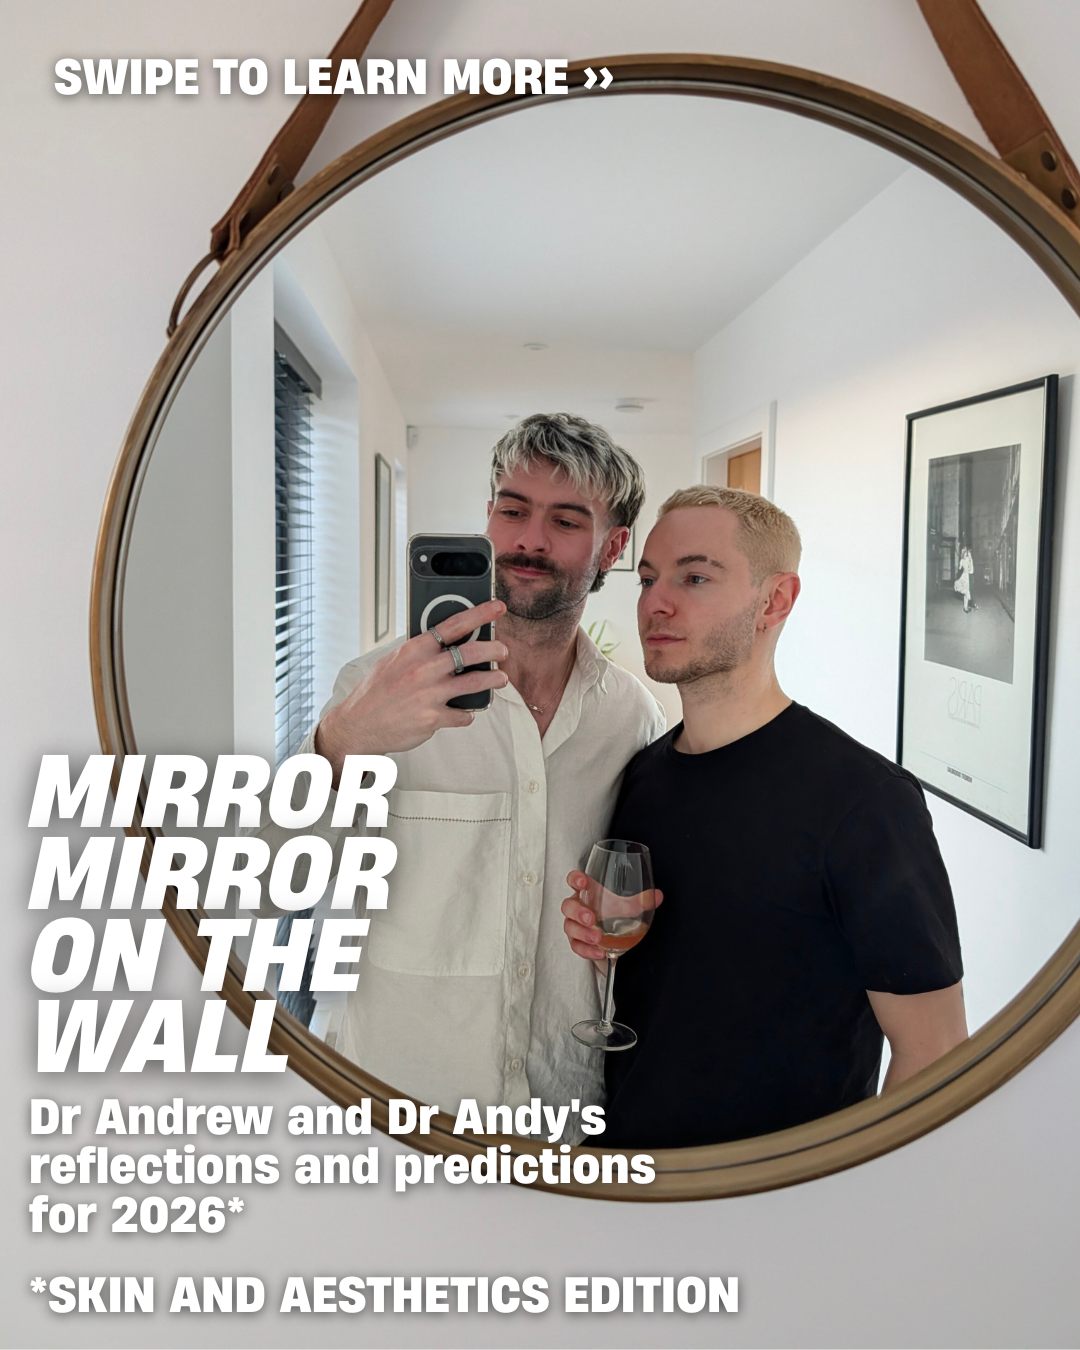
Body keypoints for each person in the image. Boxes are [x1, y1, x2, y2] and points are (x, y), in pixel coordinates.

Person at [268, 414, 664, 1123]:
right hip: (400, 1109)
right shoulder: (377, 685)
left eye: (567, 521)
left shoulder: (628, 717)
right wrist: (342, 741)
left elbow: (624, 893)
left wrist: (626, 916)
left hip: (562, 1111)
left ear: (614, 548)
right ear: (487, 516)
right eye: (513, 510)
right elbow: (273, 878)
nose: (529, 541)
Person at [561, 485, 967, 1150]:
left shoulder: (864, 800)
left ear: (775, 601)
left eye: (695, 577)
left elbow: (937, 1054)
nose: (656, 602)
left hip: (779, 1206)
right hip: (629, 1178)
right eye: (648, 578)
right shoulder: (643, 773)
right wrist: (605, 937)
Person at [954, 540, 976, 613]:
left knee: (966, 592)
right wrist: (963, 563)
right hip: (964, 577)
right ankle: (968, 605)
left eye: (967, 552)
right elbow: (960, 569)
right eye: (966, 552)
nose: (967, 553)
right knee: (966, 592)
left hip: (968, 577)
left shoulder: (967, 560)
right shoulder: (964, 560)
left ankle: (966, 607)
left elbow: (971, 570)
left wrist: (969, 561)